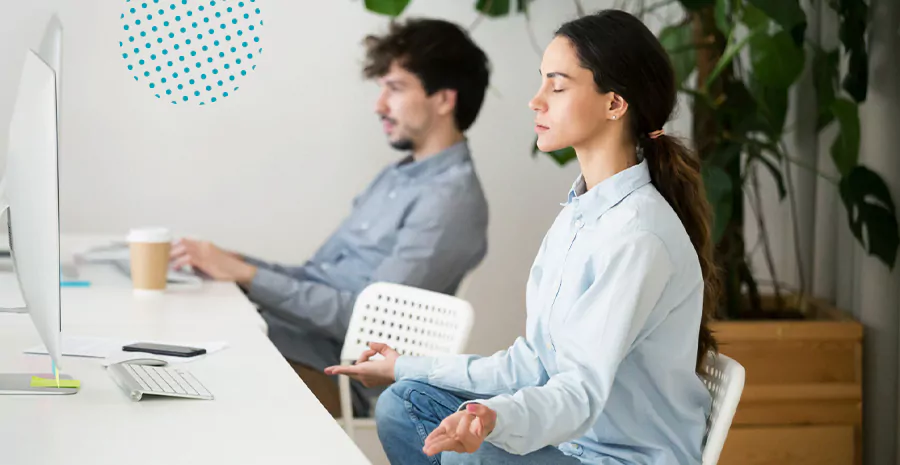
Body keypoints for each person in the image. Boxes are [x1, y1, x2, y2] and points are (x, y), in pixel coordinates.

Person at [326, 9, 719, 465]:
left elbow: (579, 392)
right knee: (403, 402)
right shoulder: (578, 216)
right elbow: (531, 364)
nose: (536, 101)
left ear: (615, 104)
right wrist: (403, 365)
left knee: (465, 455)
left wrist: (493, 417)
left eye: (557, 85)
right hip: (569, 441)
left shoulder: (638, 236)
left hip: (615, 458)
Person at [170, 18, 491, 418]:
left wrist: (247, 276)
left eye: (395, 88)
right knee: (171, 336)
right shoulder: (397, 176)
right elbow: (317, 275)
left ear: (444, 100)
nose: (379, 106)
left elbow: (367, 324)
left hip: (338, 376)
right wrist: (236, 264)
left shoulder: (450, 202)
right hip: (294, 341)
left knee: (194, 372)